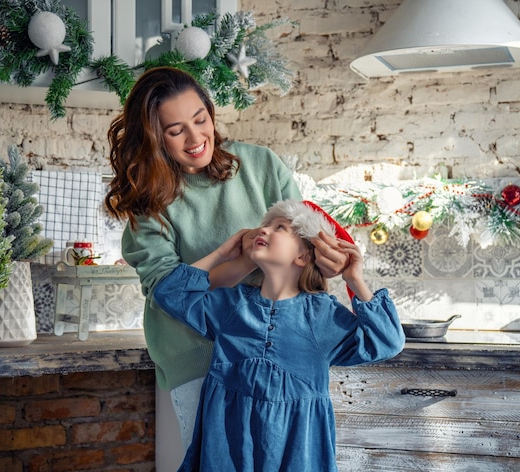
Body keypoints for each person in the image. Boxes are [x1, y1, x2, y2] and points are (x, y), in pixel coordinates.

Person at [104, 66, 349, 459]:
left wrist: (328, 262)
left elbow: (307, 244)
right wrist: (240, 261)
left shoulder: (262, 165)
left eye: (200, 119)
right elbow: (170, 292)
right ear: (154, 137)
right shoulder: (149, 204)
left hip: (278, 353)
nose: (196, 137)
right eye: (175, 130)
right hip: (198, 355)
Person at [153, 199, 405, 472]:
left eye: (280, 228)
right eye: (265, 226)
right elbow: (170, 294)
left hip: (296, 448)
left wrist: (354, 279)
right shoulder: (232, 306)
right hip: (226, 443)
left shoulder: (321, 315)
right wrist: (223, 254)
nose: (264, 231)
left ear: (304, 256)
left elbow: (388, 341)